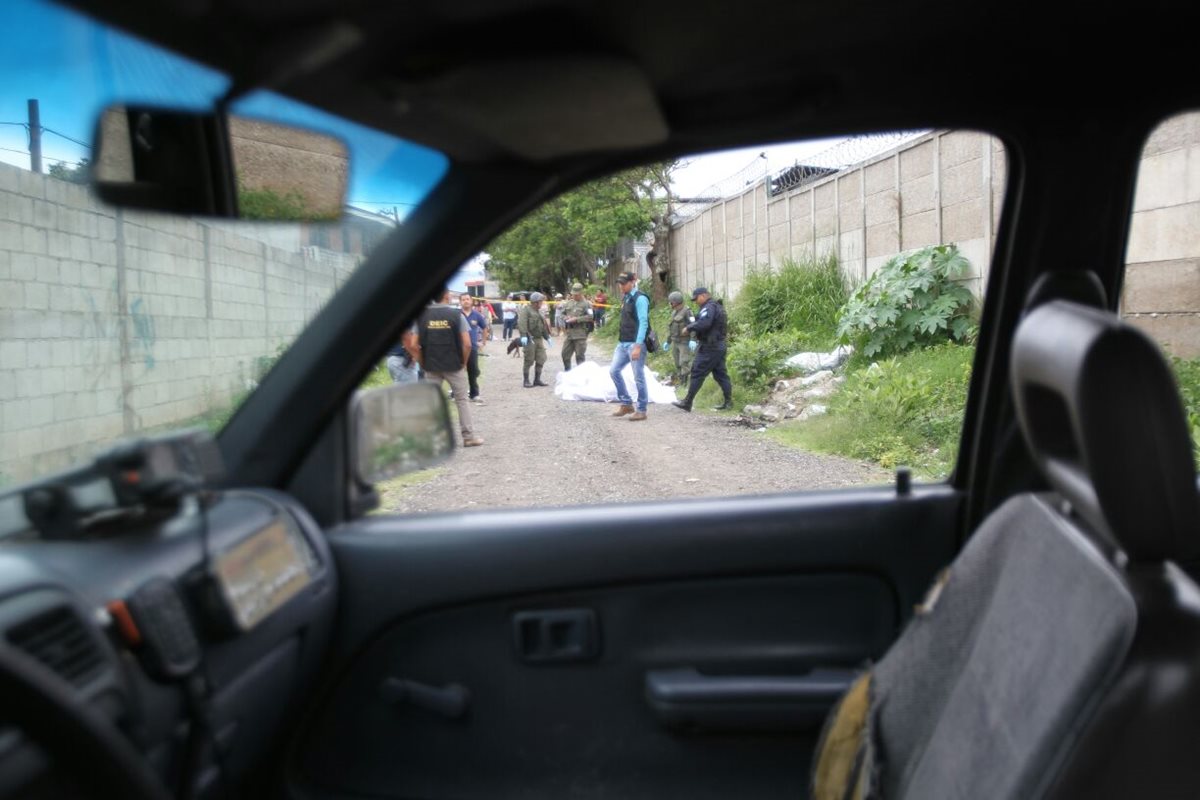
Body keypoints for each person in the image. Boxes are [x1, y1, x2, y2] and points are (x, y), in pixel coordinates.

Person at [407, 288, 483, 446]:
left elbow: (413, 345)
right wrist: (463, 363)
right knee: (462, 400)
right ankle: (468, 437)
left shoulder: (421, 316)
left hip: (431, 366)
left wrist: (423, 362)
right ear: (447, 296)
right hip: (454, 365)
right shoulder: (457, 315)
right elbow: (468, 344)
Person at [673, 287, 733, 412]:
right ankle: (728, 403)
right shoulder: (715, 306)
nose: (695, 302)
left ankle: (687, 402)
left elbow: (705, 323)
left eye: (696, 299)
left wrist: (689, 328)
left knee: (697, 372)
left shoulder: (709, 307)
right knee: (721, 375)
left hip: (710, 347)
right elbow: (703, 321)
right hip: (718, 345)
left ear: (704, 295)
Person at [608, 271, 650, 421]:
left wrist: (638, 346)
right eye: (620, 283)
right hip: (623, 343)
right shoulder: (626, 297)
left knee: (638, 377)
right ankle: (626, 403)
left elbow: (643, 323)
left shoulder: (640, 298)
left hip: (635, 344)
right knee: (614, 371)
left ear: (633, 282)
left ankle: (642, 410)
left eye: (624, 283)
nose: (621, 286)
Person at [517, 291, 552, 387]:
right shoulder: (526, 311)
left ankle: (537, 379)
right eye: (541, 301)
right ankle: (526, 380)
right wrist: (523, 335)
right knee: (529, 360)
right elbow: (522, 323)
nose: (542, 303)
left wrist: (547, 337)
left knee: (541, 358)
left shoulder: (539, 312)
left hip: (538, 339)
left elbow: (542, 326)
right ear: (536, 302)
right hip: (530, 339)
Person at [557, 282, 594, 371]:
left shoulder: (586, 304)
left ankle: (581, 375)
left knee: (579, 357)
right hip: (570, 334)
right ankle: (568, 373)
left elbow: (591, 317)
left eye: (576, 294)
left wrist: (577, 319)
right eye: (573, 294)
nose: (574, 296)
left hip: (580, 334)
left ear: (581, 293)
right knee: (565, 355)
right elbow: (561, 314)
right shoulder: (568, 303)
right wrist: (566, 317)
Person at [459, 293, 488, 403]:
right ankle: (456, 393)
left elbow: (485, 328)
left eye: (467, 299)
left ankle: (474, 394)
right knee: (458, 372)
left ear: (471, 301)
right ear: (460, 302)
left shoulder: (477, 315)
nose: (466, 301)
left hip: (472, 347)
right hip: (458, 348)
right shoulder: (456, 314)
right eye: (463, 300)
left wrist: (483, 342)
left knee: (473, 371)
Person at [665, 290, 697, 386]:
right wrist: (668, 341)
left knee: (684, 362)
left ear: (676, 302)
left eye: (671, 302)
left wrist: (693, 340)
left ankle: (685, 384)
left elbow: (693, 326)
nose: (670, 304)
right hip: (675, 342)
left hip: (684, 342)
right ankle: (680, 381)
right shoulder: (674, 313)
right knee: (677, 363)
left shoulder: (687, 312)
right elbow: (672, 328)